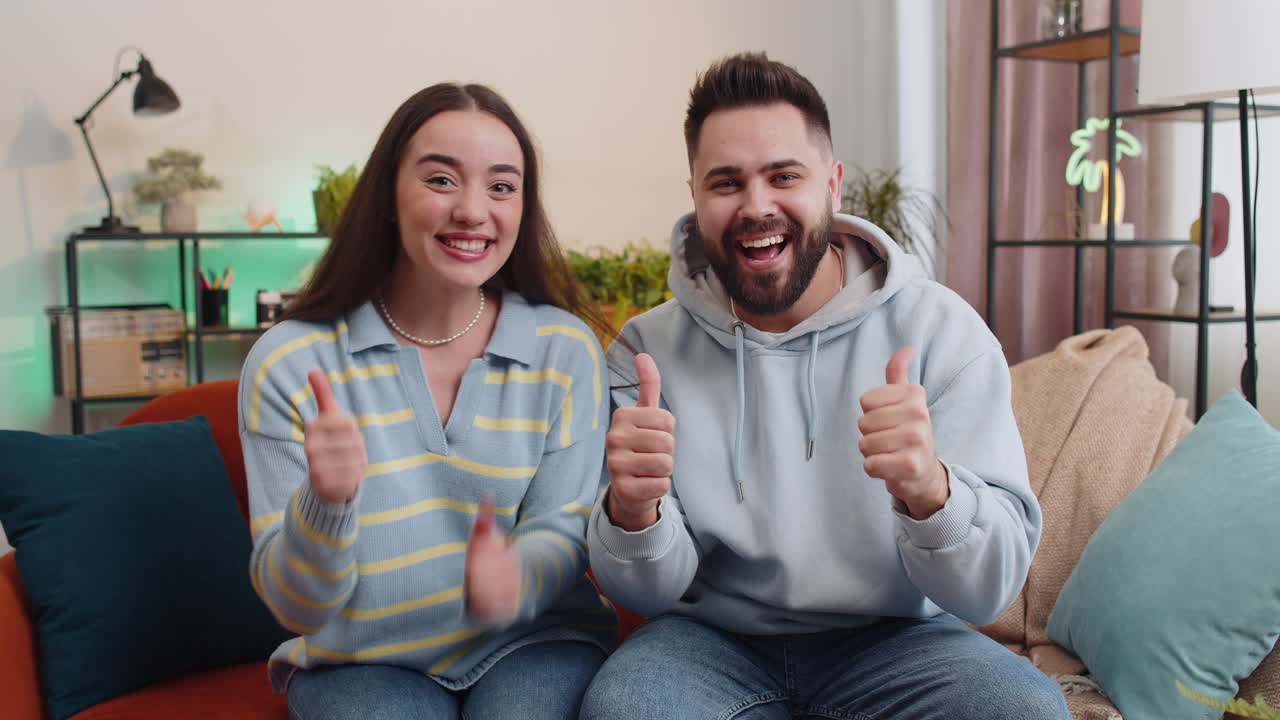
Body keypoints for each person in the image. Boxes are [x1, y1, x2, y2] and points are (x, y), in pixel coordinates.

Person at [581, 53, 1070, 719]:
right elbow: (645, 591)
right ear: (695, 196)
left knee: (1025, 711)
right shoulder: (645, 354)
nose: (757, 206)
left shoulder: (940, 331)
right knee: (623, 709)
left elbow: (990, 591)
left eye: (784, 176)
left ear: (833, 184)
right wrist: (633, 515)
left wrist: (932, 492)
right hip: (709, 642)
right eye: (726, 183)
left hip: (898, 641)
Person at [238, 82, 615, 720]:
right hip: (363, 662)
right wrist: (324, 507)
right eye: (441, 180)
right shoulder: (290, 362)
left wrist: (517, 575)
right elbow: (297, 610)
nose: (473, 211)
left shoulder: (565, 350)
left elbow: (565, 525)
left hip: (534, 643)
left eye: (501, 186)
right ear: (388, 196)